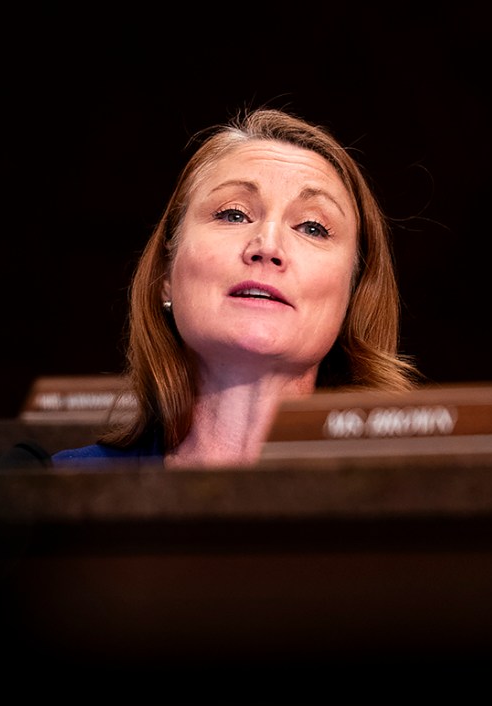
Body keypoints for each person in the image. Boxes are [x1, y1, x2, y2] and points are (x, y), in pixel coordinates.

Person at [53, 107, 420, 469]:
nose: (268, 246)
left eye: (312, 227)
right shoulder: (58, 487)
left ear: (353, 296)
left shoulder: (415, 500)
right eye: (233, 214)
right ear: (165, 274)